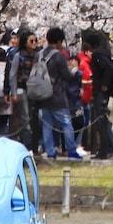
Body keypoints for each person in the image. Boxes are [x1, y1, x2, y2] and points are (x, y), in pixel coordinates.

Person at [36, 27, 80, 160]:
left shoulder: (39, 55)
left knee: (47, 124)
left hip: (42, 95)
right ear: (59, 41)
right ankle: (71, 151)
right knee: (66, 123)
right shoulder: (58, 56)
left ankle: (50, 152)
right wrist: (74, 71)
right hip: (57, 96)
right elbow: (66, 76)